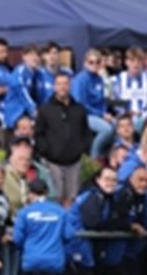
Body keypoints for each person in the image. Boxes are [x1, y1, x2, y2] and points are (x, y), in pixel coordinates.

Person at [35, 72, 90, 207]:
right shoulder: (45, 110)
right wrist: (47, 151)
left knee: (72, 198)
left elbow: (85, 131)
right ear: (54, 87)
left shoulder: (79, 109)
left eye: (65, 83)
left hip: (74, 161)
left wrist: (81, 149)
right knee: (56, 197)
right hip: (53, 161)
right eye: (59, 84)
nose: (62, 87)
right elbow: (38, 134)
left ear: (70, 85)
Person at [71, 48, 113, 160]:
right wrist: (101, 115)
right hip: (84, 115)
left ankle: (112, 156)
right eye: (91, 62)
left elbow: (103, 100)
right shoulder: (80, 80)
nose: (94, 65)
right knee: (107, 130)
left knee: (119, 126)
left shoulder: (100, 79)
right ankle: (94, 156)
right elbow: (80, 104)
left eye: (97, 62)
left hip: (98, 114)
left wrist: (105, 113)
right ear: (85, 63)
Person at [112, 47, 147, 131]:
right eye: (132, 61)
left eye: (139, 61)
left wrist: (143, 114)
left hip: (145, 120)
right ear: (126, 62)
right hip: (123, 119)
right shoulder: (117, 80)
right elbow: (115, 101)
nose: (136, 64)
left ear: (142, 63)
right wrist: (127, 113)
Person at [35, 42, 73, 106]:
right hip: (44, 111)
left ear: (59, 55)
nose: (51, 56)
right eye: (48, 53)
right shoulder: (38, 74)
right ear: (43, 56)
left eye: (54, 53)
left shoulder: (68, 73)